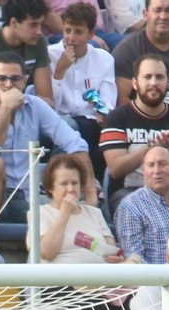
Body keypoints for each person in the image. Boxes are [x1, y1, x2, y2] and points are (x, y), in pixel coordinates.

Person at [0, 52, 90, 229]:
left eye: (15, 79)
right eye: (1, 79)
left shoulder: (35, 105)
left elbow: (75, 143)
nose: (8, 85)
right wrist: (6, 108)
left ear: (24, 81)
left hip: (24, 196)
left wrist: (91, 196)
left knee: (70, 214)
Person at [99, 52, 169, 206]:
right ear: (135, 83)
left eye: (159, 77)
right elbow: (116, 169)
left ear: (168, 82)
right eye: (147, 77)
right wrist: (152, 147)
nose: (153, 83)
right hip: (129, 192)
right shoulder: (116, 118)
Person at [47, 3, 115, 182]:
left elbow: (107, 101)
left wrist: (102, 111)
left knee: (102, 128)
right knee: (72, 127)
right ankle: (57, 180)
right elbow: (51, 107)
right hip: (61, 119)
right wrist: (59, 73)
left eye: (78, 32)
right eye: (67, 31)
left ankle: (91, 182)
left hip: (90, 119)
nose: (71, 38)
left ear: (91, 34)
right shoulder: (50, 56)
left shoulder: (104, 59)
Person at [39, 150, 123, 262]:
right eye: (64, 184)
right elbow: (46, 252)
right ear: (50, 187)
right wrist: (64, 214)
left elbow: (110, 251)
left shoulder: (95, 213)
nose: (70, 189)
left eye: (74, 183)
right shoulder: (41, 213)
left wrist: (115, 257)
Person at [0, 0, 54, 102]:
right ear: (14, 22)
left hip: (23, 104)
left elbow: (45, 98)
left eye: (41, 25)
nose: (39, 32)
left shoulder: (39, 41)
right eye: (33, 25)